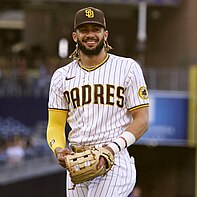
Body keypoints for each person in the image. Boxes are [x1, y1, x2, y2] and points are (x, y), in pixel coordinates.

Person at [46, 6, 149, 197]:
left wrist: (112, 147)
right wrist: (59, 149)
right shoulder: (61, 76)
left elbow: (142, 120)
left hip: (114, 159)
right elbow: (55, 125)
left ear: (105, 34)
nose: (90, 34)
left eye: (96, 29)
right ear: (75, 36)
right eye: (84, 30)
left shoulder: (127, 68)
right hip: (77, 162)